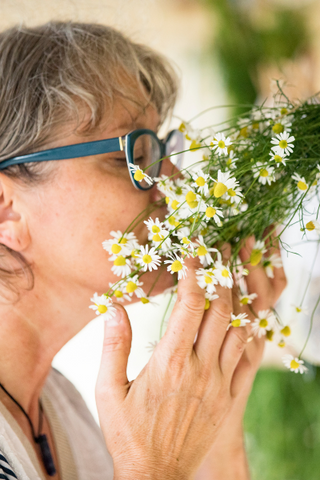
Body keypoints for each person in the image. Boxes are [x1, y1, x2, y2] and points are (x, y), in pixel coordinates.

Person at [0, 22, 287, 480]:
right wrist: (149, 468)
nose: (171, 182)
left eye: (160, 148)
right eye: (131, 155)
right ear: (6, 211)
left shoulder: (60, 410)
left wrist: (216, 422)